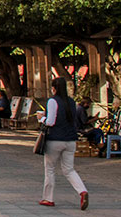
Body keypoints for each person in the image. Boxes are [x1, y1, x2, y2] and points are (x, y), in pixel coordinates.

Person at [38, 76, 88, 210]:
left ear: (53, 88)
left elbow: (50, 122)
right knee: (69, 169)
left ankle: (48, 198)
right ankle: (82, 191)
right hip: (70, 140)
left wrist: (41, 118)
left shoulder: (53, 101)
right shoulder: (71, 102)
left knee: (50, 169)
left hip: (55, 139)